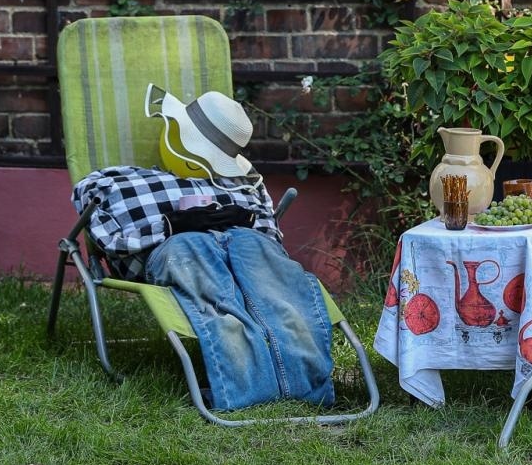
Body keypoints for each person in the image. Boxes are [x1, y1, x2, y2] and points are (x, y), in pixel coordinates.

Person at [72, 91, 335, 410]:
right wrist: (169, 226)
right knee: (204, 272)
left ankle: (308, 387)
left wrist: (240, 221)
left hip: (243, 240)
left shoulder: (241, 183)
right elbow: (110, 239)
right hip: (178, 244)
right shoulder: (115, 181)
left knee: (280, 288)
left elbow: (269, 235)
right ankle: (249, 389)